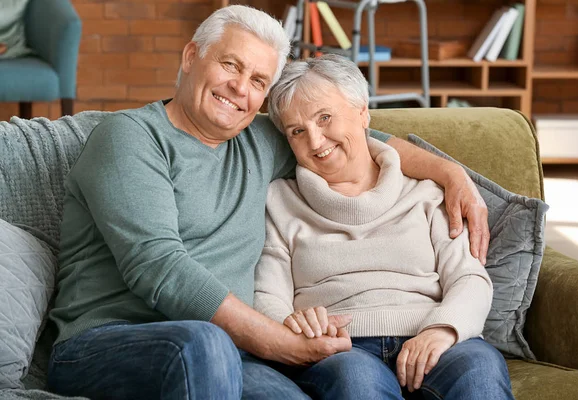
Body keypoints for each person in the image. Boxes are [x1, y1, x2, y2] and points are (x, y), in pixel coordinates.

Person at [47, 5, 490, 400]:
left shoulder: (261, 140)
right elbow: (158, 267)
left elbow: (354, 139)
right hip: (110, 341)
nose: (240, 88)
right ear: (190, 57)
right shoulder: (130, 137)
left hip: (232, 353)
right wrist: (278, 342)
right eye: (230, 65)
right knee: (204, 343)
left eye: (258, 80)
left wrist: (450, 173)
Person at [254, 53, 514, 400]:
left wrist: (442, 330)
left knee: (480, 369)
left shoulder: (427, 192)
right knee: (355, 380)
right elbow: (268, 296)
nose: (315, 142)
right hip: (344, 350)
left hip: (434, 336)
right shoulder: (279, 200)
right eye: (297, 131)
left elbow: (470, 278)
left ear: (363, 112)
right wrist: (294, 324)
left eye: (325, 117)